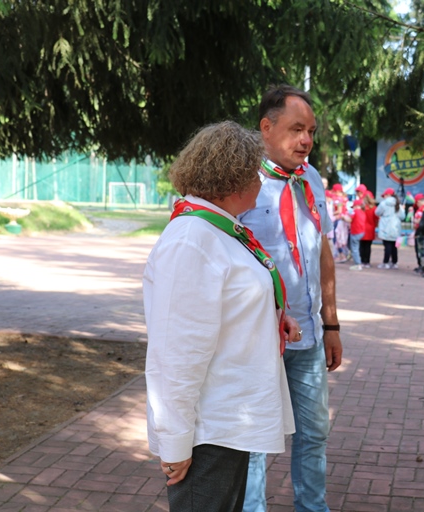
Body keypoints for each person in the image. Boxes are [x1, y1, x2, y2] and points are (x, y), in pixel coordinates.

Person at [143, 122, 297, 512]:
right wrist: (175, 441)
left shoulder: (218, 231)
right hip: (208, 431)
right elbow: (176, 352)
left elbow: (229, 303)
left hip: (228, 423)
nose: (261, 181)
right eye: (255, 173)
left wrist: (268, 317)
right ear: (232, 180)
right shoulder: (192, 240)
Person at [238, 85, 342, 512]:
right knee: (254, 440)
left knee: (314, 432)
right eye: (297, 129)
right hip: (258, 337)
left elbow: (322, 252)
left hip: (309, 335)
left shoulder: (311, 179)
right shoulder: (240, 181)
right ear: (266, 128)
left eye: (311, 132)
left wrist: (331, 324)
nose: (306, 140)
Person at [375, 188, 405, 269]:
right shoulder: (398, 204)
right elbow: (402, 217)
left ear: (388, 195)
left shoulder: (383, 204)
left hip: (385, 227)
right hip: (396, 227)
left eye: (384, 195)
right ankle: (394, 262)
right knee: (394, 246)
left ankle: (385, 262)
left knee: (387, 245)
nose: (384, 197)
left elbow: (377, 212)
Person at [409, 193, 424, 273]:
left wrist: (414, 220)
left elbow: (418, 222)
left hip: (420, 233)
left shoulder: (420, 210)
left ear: (419, 202)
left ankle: (422, 267)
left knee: (420, 251)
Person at [360, 191, 377, 268]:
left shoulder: (361, 208)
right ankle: (367, 261)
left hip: (361, 228)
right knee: (368, 246)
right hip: (370, 228)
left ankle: (362, 260)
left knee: (361, 246)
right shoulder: (374, 208)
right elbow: (376, 218)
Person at [348, 198, 366, 271]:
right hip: (361, 232)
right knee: (356, 248)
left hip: (355, 232)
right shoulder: (362, 212)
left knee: (354, 249)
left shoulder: (354, 211)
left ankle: (358, 264)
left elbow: (350, 220)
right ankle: (358, 263)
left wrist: (343, 217)